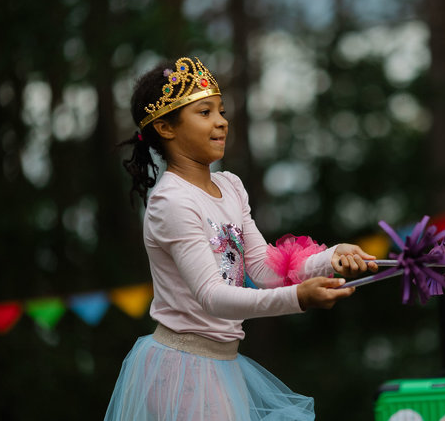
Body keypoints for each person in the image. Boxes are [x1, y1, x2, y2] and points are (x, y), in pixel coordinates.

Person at [104, 56, 378, 420]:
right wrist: (299, 298)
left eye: (222, 110)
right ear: (166, 127)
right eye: (204, 112)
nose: (221, 121)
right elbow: (212, 297)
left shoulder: (229, 186)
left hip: (222, 365)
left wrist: (330, 260)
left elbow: (263, 268)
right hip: (183, 370)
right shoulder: (171, 202)